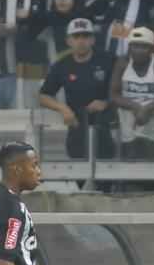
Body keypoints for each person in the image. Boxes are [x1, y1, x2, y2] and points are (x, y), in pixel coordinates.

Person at [37, 18, 114, 160]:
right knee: (79, 177)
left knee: (107, 177)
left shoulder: (108, 60)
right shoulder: (62, 65)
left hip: (105, 127)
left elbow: (120, 91)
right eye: (76, 36)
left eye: (85, 36)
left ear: (92, 39)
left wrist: (106, 102)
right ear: (68, 40)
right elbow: (43, 96)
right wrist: (62, 108)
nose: (81, 41)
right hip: (77, 128)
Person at [111, 26, 154, 160]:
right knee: (129, 167)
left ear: (152, 49)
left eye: (143, 47)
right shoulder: (122, 63)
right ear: (129, 47)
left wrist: (147, 109)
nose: (138, 51)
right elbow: (113, 95)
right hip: (129, 126)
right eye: (135, 46)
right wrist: (135, 107)